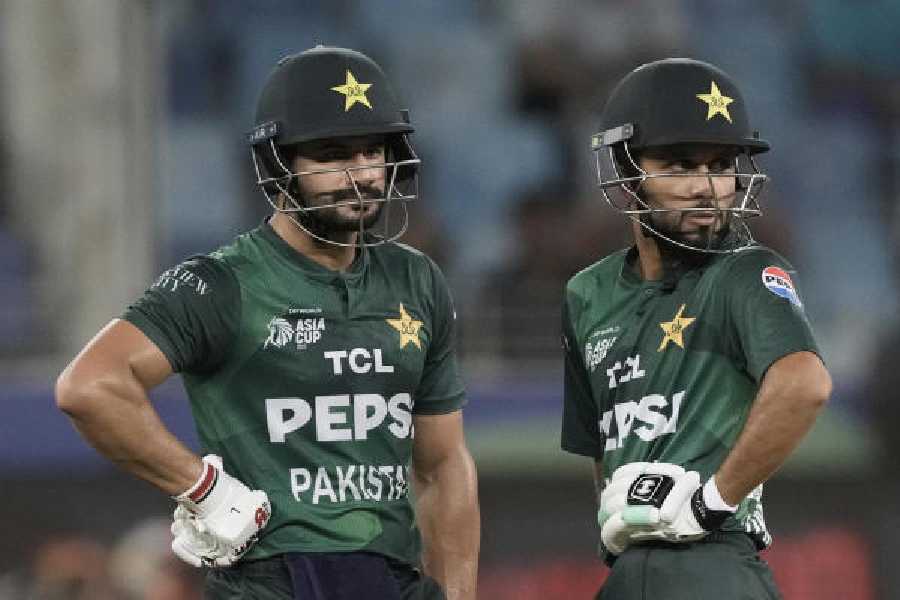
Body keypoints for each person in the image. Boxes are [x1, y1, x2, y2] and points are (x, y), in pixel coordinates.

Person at [56, 45, 479, 600]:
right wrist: (203, 489)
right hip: (269, 582)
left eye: (372, 151)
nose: (361, 175)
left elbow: (444, 467)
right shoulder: (221, 283)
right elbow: (89, 386)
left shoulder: (417, 280)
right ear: (277, 165)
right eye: (331, 156)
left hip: (391, 580)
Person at [560, 58, 832, 599]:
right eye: (679, 165)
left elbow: (805, 384)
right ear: (627, 170)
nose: (706, 188)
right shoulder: (585, 295)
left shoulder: (746, 272)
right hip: (626, 572)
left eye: (721, 165)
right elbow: (602, 445)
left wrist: (710, 502)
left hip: (714, 562)